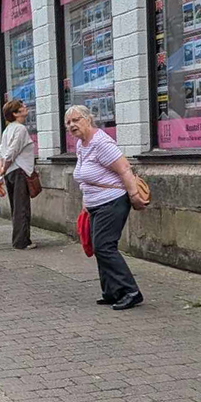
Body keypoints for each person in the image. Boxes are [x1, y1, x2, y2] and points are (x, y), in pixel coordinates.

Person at [64, 104, 149, 309]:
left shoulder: (101, 142)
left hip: (112, 201)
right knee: (98, 247)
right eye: (68, 123)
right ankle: (112, 291)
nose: (72, 125)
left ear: (88, 119)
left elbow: (125, 169)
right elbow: (87, 176)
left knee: (104, 246)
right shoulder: (82, 144)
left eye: (76, 120)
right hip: (95, 204)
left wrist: (134, 195)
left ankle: (130, 291)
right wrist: (86, 202)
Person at [0, 100, 37, 249]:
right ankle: (21, 242)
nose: (25, 108)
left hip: (11, 172)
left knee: (16, 206)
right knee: (22, 207)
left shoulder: (8, 129)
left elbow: (0, 152)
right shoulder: (20, 129)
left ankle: (21, 239)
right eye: (21, 107)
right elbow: (12, 151)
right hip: (19, 170)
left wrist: (0, 171)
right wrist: (3, 169)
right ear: (15, 113)